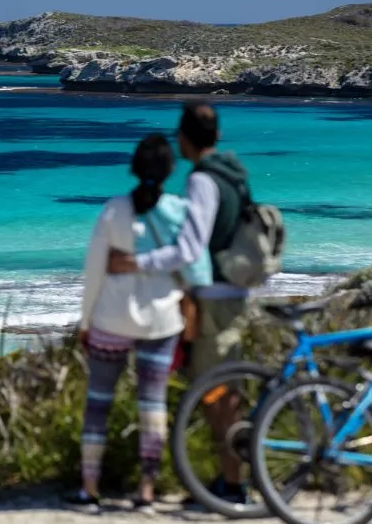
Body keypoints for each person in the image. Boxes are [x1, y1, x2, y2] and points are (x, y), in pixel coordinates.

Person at [107, 100, 252, 505]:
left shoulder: (202, 180)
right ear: (218, 135)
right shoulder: (233, 172)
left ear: (184, 139)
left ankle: (233, 484)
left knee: (212, 392)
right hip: (234, 291)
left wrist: (138, 263)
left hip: (214, 295)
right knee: (226, 390)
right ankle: (231, 479)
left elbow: (190, 248)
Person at [65, 133, 211, 515]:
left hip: (111, 318)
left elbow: (94, 271)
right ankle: (146, 490)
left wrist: (85, 320)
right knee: (152, 404)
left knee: (98, 403)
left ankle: (90, 487)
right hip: (161, 321)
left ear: (134, 168)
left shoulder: (114, 210)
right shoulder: (179, 209)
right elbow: (193, 264)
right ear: (169, 170)